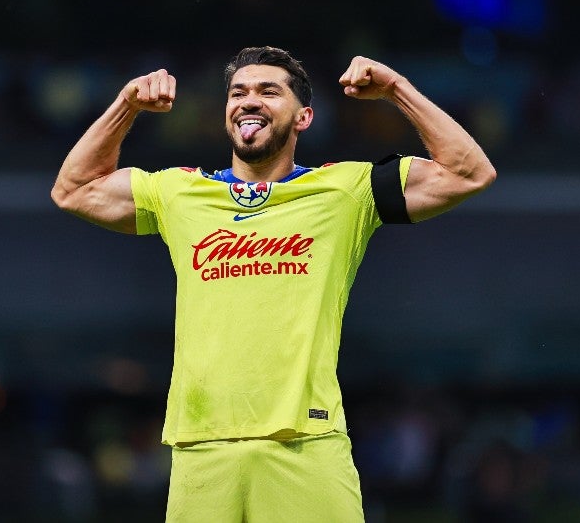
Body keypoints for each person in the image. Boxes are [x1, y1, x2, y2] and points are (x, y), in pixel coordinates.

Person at [52, 46, 496, 522]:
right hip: (202, 448)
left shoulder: (345, 191)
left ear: (304, 117)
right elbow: (73, 190)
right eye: (238, 92)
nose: (249, 100)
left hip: (307, 445)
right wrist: (126, 105)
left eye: (269, 91)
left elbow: (468, 173)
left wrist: (397, 90)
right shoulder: (177, 192)